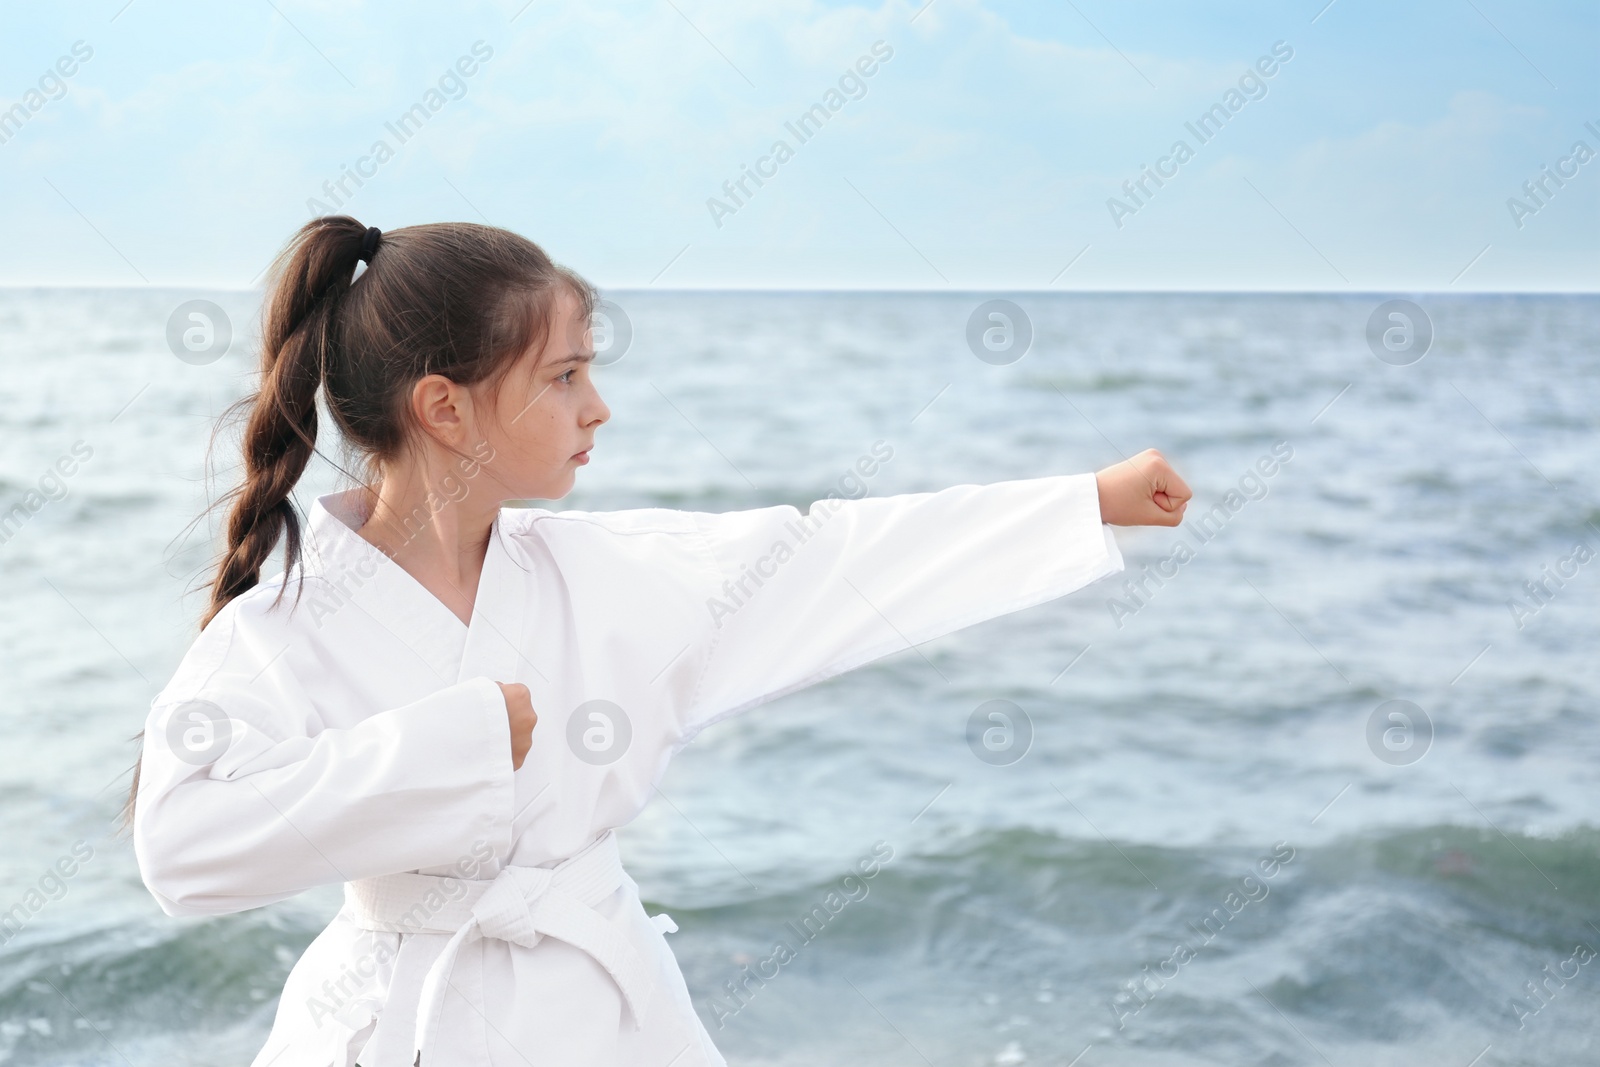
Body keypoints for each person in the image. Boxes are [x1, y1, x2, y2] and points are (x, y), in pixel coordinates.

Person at [126, 216, 1192, 1067]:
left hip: (606, 1011)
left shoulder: (606, 574)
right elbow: (181, 846)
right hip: (399, 1023)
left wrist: (1083, 504)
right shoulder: (285, 626)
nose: (598, 407)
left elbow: (825, 554)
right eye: (563, 375)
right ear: (445, 407)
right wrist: (452, 743)